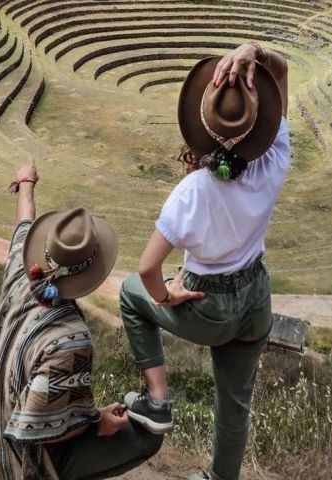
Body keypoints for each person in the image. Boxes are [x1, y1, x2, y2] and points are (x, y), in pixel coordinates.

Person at [119, 42, 289, 480]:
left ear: (200, 125)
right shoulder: (274, 160)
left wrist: (165, 294)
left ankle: (157, 400)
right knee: (235, 405)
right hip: (255, 299)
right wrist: (255, 52)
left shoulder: (193, 191)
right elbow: (283, 75)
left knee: (129, 293)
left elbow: (146, 269)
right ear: (262, 122)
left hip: (207, 304)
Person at [0, 163, 163, 480]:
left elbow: (24, 222)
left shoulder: (22, 275)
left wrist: (25, 182)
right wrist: (97, 422)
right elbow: (39, 428)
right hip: (18, 464)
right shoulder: (71, 340)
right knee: (147, 437)